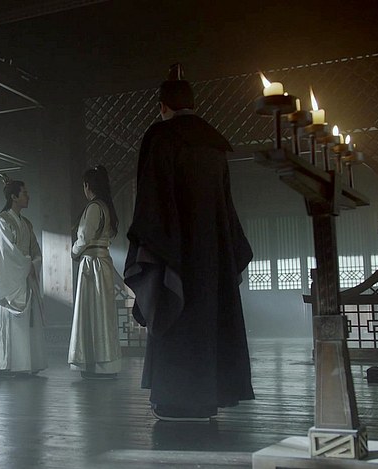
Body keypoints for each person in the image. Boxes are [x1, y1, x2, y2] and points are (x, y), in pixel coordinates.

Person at [123, 64, 254, 421]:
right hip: (212, 256)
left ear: (163, 106)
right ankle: (207, 399)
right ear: (193, 105)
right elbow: (226, 206)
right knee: (209, 320)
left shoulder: (161, 136)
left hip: (174, 254)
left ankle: (175, 401)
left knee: (175, 315)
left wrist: (148, 243)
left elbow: (150, 196)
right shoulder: (214, 144)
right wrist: (228, 251)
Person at [0, 174, 48, 376]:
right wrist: (27, 264)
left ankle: (26, 364)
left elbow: (36, 251)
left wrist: (32, 264)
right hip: (10, 280)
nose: (28, 197)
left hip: (26, 276)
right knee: (9, 320)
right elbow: (6, 253)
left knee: (27, 324)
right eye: (24, 193)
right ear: (13, 197)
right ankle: (7, 364)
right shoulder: (1, 222)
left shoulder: (27, 224)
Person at [69, 165, 122, 379]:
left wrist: (74, 252)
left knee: (92, 313)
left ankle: (95, 364)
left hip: (92, 265)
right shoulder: (106, 207)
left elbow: (84, 237)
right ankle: (104, 364)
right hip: (103, 262)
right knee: (103, 315)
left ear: (87, 185)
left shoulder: (93, 207)